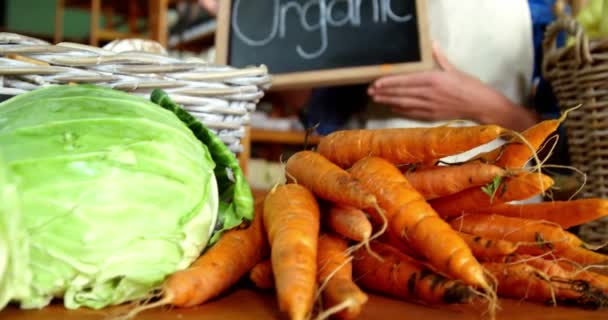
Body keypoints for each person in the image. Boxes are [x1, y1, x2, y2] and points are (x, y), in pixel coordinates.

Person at [199, 1, 565, 151]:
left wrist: (486, 107)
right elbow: (324, 114)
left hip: (499, 206)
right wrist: (246, 24)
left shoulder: (540, 11)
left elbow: (566, 147)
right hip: (372, 200)